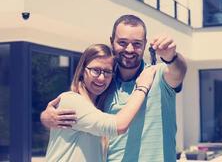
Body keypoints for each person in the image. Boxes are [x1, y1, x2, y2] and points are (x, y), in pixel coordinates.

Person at [41, 15, 187, 162]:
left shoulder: (156, 74)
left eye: (137, 44)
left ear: (144, 44)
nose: (130, 49)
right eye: (122, 42)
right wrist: (46, 117)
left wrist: (172, 57)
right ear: (112, 42)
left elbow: (178, 71)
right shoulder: (104, 83)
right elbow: (84, 112)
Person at [45, 43, 156, 162]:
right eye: (96, 70)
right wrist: (142, 87)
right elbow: (119, 126)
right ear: (82, 70)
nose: (101, 78)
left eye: (107, 72)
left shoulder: (97, 108)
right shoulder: (71, 101)